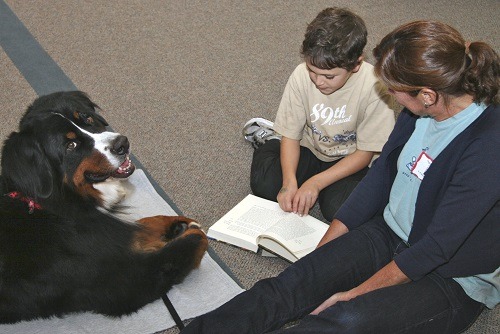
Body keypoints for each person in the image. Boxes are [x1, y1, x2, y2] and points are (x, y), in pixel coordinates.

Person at [182, 20, 499, 333]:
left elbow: (436, 248)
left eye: (393, 88)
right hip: (390, 231)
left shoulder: (487, 146)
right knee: (292, 284)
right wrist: (321, 258)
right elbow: (379, 178)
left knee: (344, 321)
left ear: (427, 94)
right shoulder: (419, 109)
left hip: (451, 276)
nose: (386, 92)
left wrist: (354, 293)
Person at [243, 7, 396, 222]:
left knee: (341, 211)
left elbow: (365, 153)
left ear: (356, 64)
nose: (318, 81)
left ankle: (320, 185)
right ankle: (270, 140)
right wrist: (289, 183)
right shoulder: (300, 76)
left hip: (349, 158)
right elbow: (292, 137)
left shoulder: (375, 87)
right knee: (266, 186)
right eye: (312, 71)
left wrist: (315, 183)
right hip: (309, 147)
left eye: (329, 76)